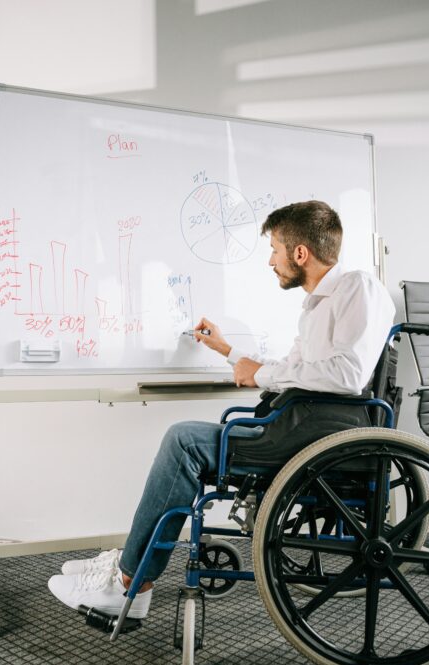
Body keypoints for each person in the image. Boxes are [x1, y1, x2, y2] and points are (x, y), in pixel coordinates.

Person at [48, 200, 395, 618]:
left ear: (299, 253)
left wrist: (263, 375)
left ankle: (130, 583)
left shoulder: (358, 287)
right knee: (189, 437)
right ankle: (127, 567)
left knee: (184, 440)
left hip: (320, 432)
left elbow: (348, 375)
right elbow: (293, 369)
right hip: (303, 423)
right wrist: (229, 352)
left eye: (275, 249)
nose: (271, 261)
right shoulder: (315, 306)